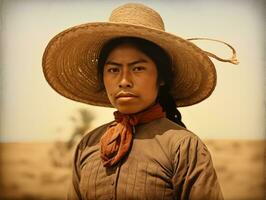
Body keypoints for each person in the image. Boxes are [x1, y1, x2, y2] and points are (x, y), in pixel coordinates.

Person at [42, 3, 238, 200]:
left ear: (161, 77)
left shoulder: (184, 146)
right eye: (113, 70)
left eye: (138, 69)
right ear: (103, 77)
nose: (124, 81)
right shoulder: (88, 145)